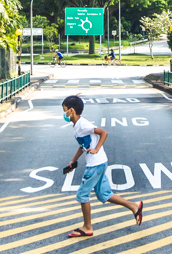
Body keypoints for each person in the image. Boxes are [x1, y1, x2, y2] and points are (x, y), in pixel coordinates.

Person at [60, 95, 142, 237]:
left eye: (64, 110)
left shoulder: (83, 124)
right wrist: (73, 161)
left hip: (95, 165)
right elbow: (83, 146)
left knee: (82, 195)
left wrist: (97, 149)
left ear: (71, 111)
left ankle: (87, 227)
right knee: (104, 194)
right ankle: (134, 206)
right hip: (100, 163)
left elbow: (104, 133)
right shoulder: (77, 126)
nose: (64, 114)